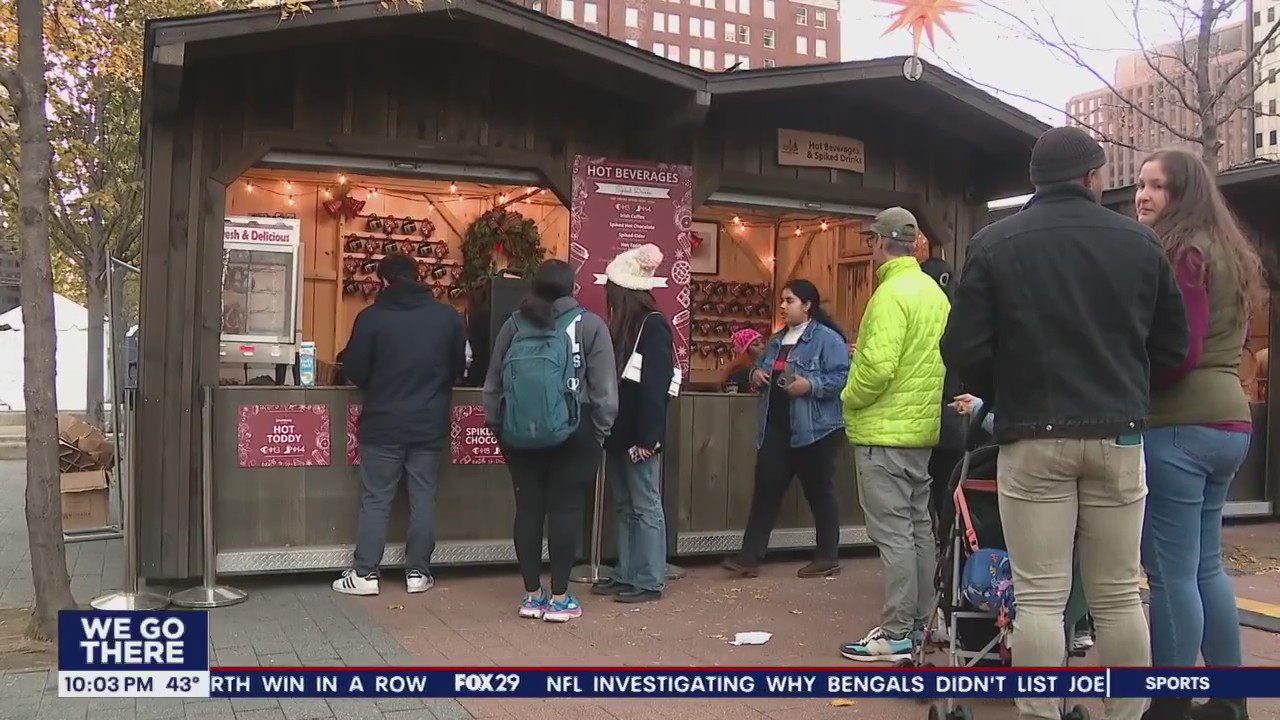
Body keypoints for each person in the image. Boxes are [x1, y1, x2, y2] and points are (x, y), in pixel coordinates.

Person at [941, 126, 1190, 720]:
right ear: (1094, 177)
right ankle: (1127, 713)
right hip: (1118, 434)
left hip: (1031, 435)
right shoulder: (1139, 243)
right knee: (1118, 596)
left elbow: (962, 349)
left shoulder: (996, 243)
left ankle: (1040, 713)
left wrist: (1006, 395)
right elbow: (1175, 347)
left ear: (1035, 180)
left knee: (1040, 599)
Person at [1135, 149, 1263, 720]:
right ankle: (1230, 698)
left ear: (1182, 195)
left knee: (1169, 572)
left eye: (1156, 187)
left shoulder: (1183, 253)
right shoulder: (1229, 251)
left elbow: (1178, 352)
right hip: (1229, 421)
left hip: (1180, 425)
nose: (1142, 196)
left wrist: (1132, 379)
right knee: (1205, 565)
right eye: (1140, 185)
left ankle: (1170, 704)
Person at [838, 207, 951, 663]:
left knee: (894, 535)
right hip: (921, 429)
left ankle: (897, 632)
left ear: (880, 243)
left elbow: (878, 367)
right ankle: (925, 623)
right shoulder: (932, 292)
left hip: (882, 430)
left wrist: (849, 394)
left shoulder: (889, 295)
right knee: (920, 528)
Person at [483, 259, 619, 623]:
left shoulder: (513, 325)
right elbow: (605, 389)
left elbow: (493, 383)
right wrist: (598, 432)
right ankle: (560, 599)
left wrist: (500, 428)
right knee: (566, 510)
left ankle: (531, 596)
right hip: (576, 430)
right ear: (573, 288)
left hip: (519, 430)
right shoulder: (590, 325)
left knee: (527, 510)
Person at [333, 252, 467, 596]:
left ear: (384, 281)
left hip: (382, 424)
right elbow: (457, 368)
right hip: (429, 423)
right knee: (424, 497)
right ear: (418, 275)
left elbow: (356, 371)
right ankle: (418, 573)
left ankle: (365, 574)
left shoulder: (371, 318)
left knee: (376, 499)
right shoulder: (448, 317)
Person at [720, 280, 850, 579]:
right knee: (765, 491)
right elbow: (759, 367)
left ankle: (828, 555)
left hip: (815, 429)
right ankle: (749, 557)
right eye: (782, 300)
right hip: (776, 427)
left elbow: (843, 376)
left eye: (789, 300)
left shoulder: (828, 340)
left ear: (807, 306)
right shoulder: (777, 340)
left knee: (820, 493)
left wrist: (811, 385)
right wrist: (756, 374)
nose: (783, 305)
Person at [591, 244, 676, 604]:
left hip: (638, 432)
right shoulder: (627, 325)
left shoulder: (653, 326)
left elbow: (656, 386)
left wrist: (649, 437)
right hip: (619, 429)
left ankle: (649, 578)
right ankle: (627, 572)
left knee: (645, 505)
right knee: (625, 505)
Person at [921, 257, 965, 531]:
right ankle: (948, 552)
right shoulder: (961, 314)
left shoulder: (926, 314)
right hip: (955, 412)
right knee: (947, 493)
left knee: (926, 493)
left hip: (929, 411)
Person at [721, 327, 766, 392]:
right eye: (755, 344)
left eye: (763, 342)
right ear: (744, 350)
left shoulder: (763, 367)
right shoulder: (739, 372)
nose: (762, 346)